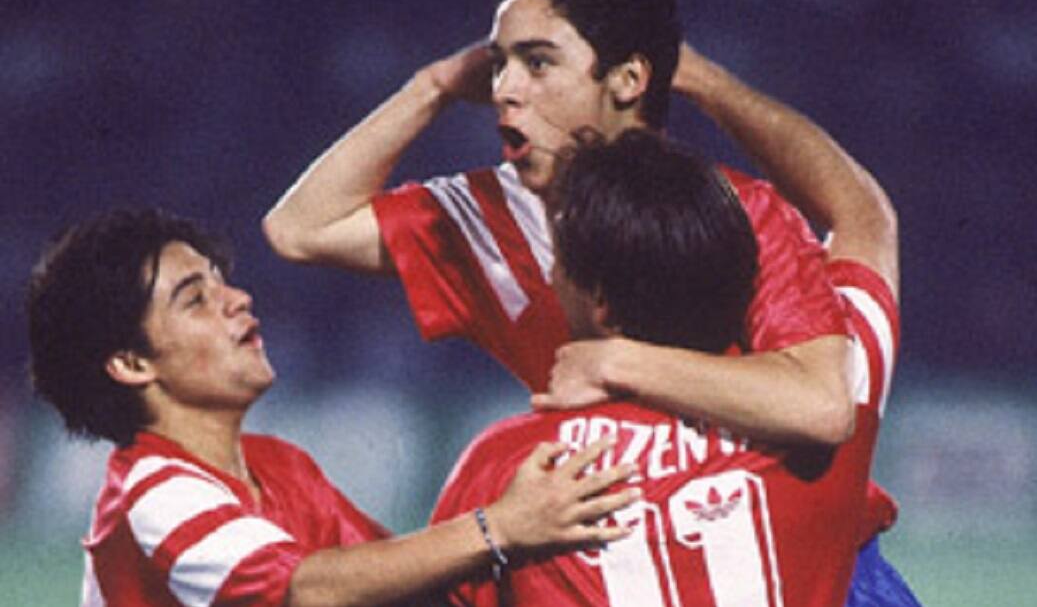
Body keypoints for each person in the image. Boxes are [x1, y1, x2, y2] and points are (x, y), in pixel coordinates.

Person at [263, 0, 914, 603]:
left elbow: (818, 403)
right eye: (497, 65)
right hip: (605, 541)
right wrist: (429, 86)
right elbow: (299, 228)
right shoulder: (490, 216)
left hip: (797, 553)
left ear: (629, 79)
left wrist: (701, 80)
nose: (504, 91)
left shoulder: (734, 215)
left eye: (538, 63)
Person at [26, 208, 640, 607]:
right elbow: (305, 591)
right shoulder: (152, 493)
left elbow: (403, 590)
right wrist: (499, 526)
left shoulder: (279, 467)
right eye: (195, 299)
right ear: (132, 364)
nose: (237, 299)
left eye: (222, 281)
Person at [429, 128, 900, 606]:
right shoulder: (830, 431)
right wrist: (704, 80)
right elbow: (863, 216)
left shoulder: (514, 466)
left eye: (558, 260)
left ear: (602, 305)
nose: (550, 274)